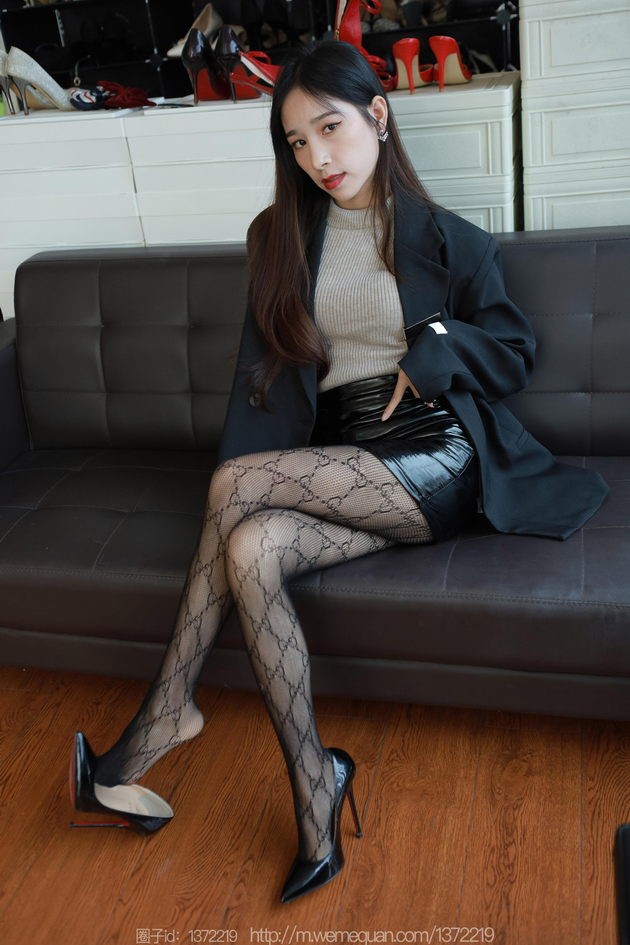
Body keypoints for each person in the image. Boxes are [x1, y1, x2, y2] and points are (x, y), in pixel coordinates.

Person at [69, 41, 608, 904]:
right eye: (297, 141)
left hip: (436, 452)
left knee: (232, 488)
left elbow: (513, 353)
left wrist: (434, 348)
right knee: (250, 547)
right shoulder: (278, 240)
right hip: (343, 458)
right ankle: (316, 785)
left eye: (330, 127)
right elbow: (259, 379)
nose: (318, 155)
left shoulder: (450, 239)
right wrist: (264, 459)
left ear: (377, 115)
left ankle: (165, 714)